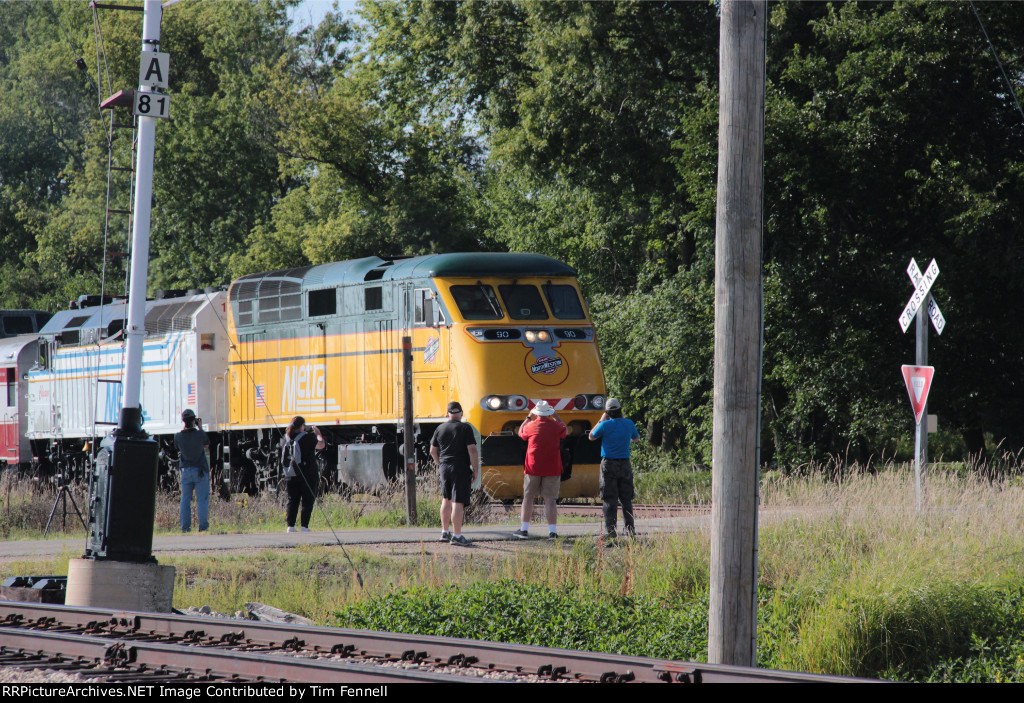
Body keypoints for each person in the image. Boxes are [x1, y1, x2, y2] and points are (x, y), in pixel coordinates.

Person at [513, 400, 567, 540]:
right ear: (549, 413)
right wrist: (556, 416)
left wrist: (528, 417)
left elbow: (520, 433)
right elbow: (565, 430)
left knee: (528, 498)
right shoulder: (556, 426)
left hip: (533, 467)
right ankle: (552, 532)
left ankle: (524, 530)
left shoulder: (531, 425)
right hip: (553, 468)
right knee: (550, 500)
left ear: (536, 413)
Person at [588, 397, 640, 538]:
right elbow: (636, 438)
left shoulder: (605, 425)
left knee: (609, 499)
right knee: (626, 499)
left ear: (608, 412)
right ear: (620, 410)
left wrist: (601, 419)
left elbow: (591, 436)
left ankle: (611, 531)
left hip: (609, 464)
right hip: (625, 464)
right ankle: (630, 529)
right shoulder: (629, 424)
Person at [429, 401, 479, 546]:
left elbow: (433, 451)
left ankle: (445, 532)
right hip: (460, 467)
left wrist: (440, 463)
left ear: (447, 414)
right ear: (461, 413)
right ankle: (457, 536)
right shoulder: (465, 428)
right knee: (458, 501)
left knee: (446, 498)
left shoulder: (440, 428)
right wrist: (475, 469)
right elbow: (473, 450)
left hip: (444, 466)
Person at [280, 416, 325, 533]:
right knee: (307, 499)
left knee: (292, 499)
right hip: (307, 474)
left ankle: (290, 526)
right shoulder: (307, 438)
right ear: (302, 426)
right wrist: (318, 433)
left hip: (291, 473)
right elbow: (321, 445)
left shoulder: (286, 439)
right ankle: (304, 526)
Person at [175, 409, 210, 533]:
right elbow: (206, 444)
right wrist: (200, 427)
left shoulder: (178, 436)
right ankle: (203, 527)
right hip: (200, 470)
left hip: (185, 471)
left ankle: (185, 528)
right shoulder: (200, 434)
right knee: (202, 500)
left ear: (183, 420)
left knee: (185, 500)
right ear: (194, 420)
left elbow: (177, 447)